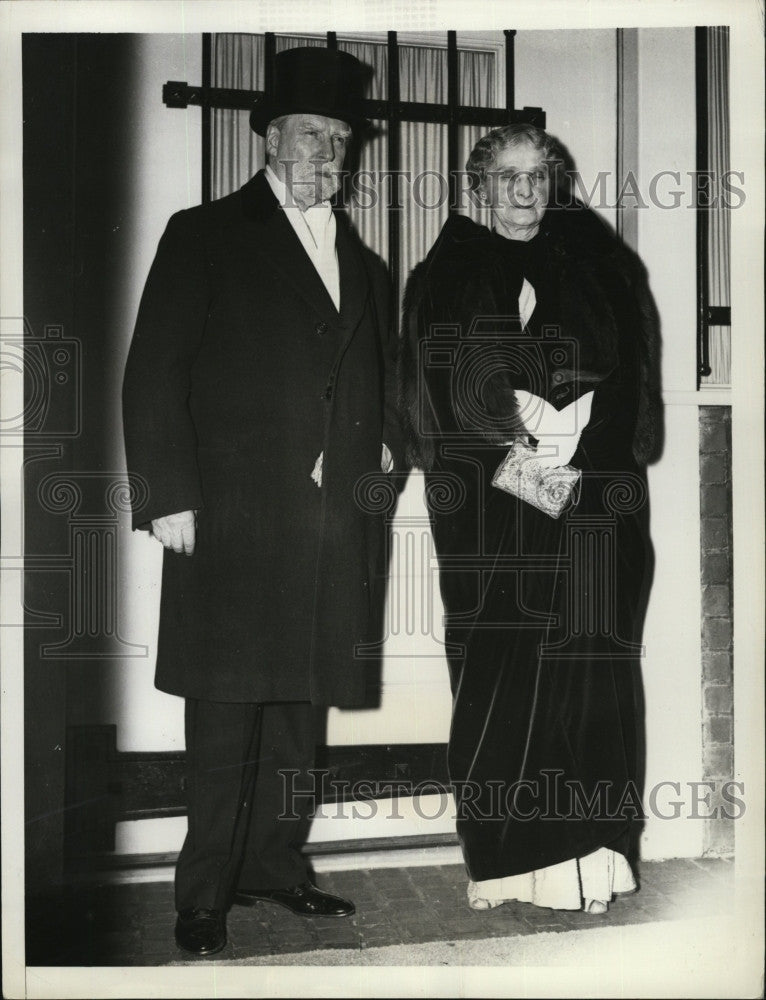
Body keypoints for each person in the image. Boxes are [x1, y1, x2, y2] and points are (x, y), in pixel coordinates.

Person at [122, 46, 401, 956]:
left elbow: (375, 378)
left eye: (344, 141)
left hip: (328, 521)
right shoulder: (202, 232)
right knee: (225, 708)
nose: (333, 155)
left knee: (299, 708)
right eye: (315, 135)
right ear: (272, 138)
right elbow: (153, 371)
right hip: (232, 515)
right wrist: (167, 494)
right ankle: (202, 892)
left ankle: (275, 868)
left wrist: (387, 451)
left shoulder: (361, 261)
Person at [398, 123, 662, 914]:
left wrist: (579, 452)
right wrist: (515, 453)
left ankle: (594, 861)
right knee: (506, 673)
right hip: (493, 512)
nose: (522, 191)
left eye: (537, 177)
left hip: (585, 504)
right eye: (507, 176)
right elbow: (433, 391)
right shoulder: (445, 274)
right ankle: (514, 863)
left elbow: (629, 374)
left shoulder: (594, 266)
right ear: (481, 185)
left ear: (553, 185)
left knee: (589, 671)